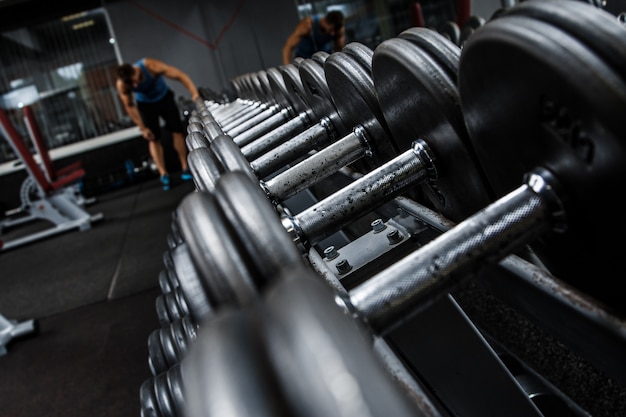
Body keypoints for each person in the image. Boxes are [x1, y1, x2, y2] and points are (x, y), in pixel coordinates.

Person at [116, 57, 199, 190]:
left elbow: (179, 75)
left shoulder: (150, 66)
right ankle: (163, 174)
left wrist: (194, 93)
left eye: (135, 81)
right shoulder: (123, 84)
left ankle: (185, 167)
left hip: (164, 98)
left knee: (176, 131)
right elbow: (129, 106)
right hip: (146, 105)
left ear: (135, 71)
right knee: (153, 138)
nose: (135, 86)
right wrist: (143, 128)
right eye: (132, 85)